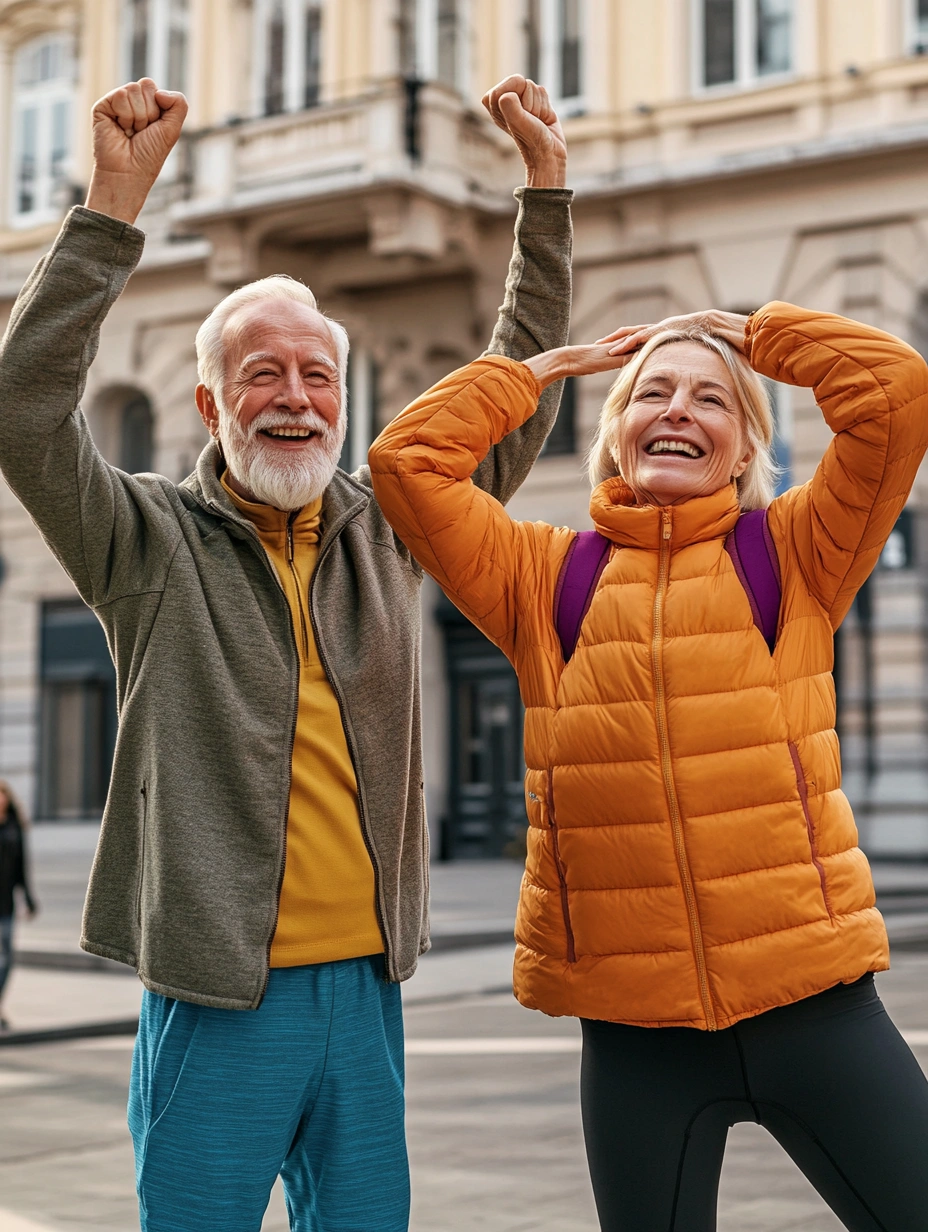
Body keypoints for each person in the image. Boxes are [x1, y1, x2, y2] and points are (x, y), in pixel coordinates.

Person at [0, 74, 573, 1231]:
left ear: (345, 401)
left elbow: (512, 394)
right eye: (261, 372)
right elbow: (20, 406)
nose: (295, 398)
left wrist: (545, 196)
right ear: (211, 406)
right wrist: (111, 207)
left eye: (318, 374)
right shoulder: (146, 542)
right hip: (218, 1004)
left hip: (365, 997)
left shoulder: (392, 528)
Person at [369, 304, 928, 1229]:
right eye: (651, 393)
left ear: (746, 449)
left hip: (816, 1009)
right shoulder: (542, 579)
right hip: (636, 1040)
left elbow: (895, 394)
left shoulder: (794, 556)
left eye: (712, 399)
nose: (678, 409)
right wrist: (537, 370)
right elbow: (406, 464)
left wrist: (760, 335)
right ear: (616, 436)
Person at [0, 780, 38, 1031]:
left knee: (7, 960)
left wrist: (29, 899)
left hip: (6, 905)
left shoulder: (15, 827)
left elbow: (22, 866)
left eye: (2, 796)